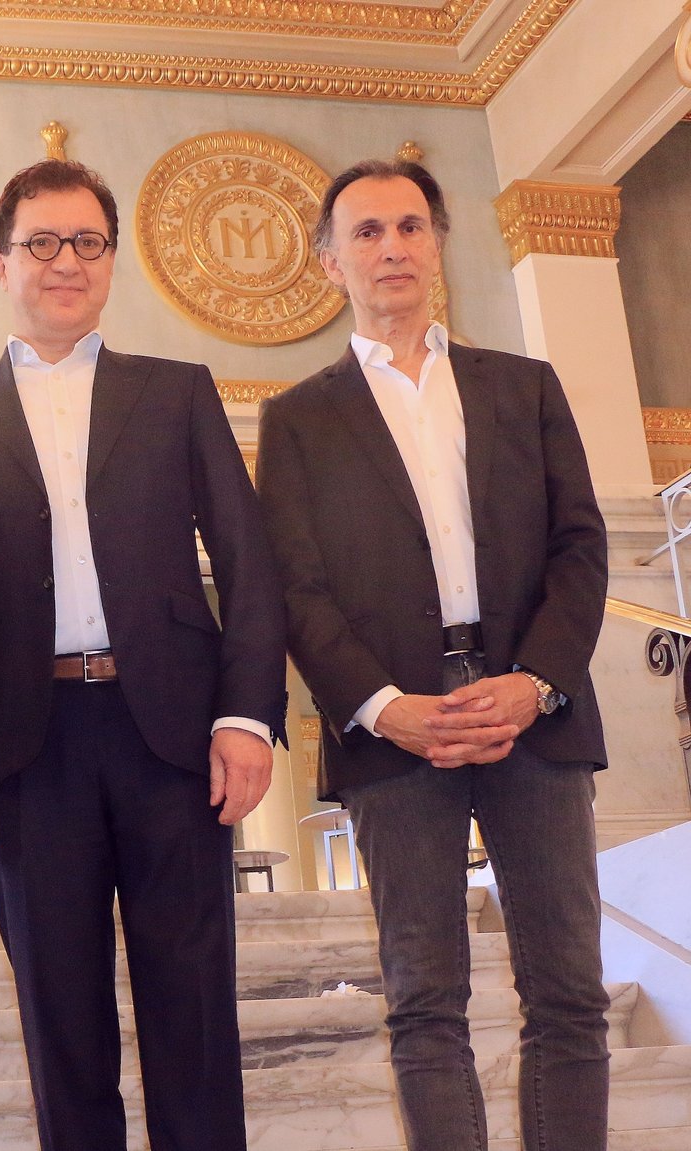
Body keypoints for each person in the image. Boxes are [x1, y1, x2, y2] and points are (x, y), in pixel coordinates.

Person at [0, 158, 286, 1151]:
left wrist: (245, 715)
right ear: (0, 262)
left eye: (85, 242)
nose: (63, 261)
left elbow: (248, 562)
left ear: (109, 260)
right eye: (40, 242)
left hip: (169, 740)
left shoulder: (176, 393)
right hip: (23, 753)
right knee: (59, 1021)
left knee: (192, 1013)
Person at [255, 158, 611, 1151]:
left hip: (530, 718)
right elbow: (292, 585)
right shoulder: (295, 419)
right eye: (364, 232)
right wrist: (377, 703)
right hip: (391, 732)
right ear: (329, 263)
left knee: (569, 992)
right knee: (421, 999)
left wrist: (536, 680)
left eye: (408, 226)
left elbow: (580, 544)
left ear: (437, 245)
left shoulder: (524, 386)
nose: (390, 247)